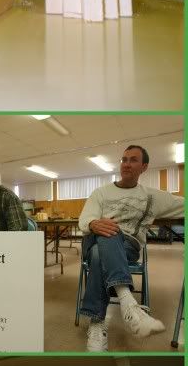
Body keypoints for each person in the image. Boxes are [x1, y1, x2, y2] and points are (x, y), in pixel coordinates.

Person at [78, 144, 185, 351]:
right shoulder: (101, 193)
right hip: (94, 241)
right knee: (109, 229)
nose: (126, 164)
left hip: (128, 248)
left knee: (103, 248)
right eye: (124, 159)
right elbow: (85, 218)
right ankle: (130, 305)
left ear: (144, 167)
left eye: (133, 160)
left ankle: (97, 323)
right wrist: (93, 223)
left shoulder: (152, 197)